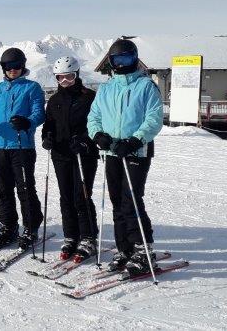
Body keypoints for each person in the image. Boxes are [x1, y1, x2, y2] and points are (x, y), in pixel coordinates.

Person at [87, 39, 163, 276]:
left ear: (135, 58)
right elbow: (94, 116)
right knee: (117, 201)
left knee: (131, 200)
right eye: (117, 60)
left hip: (135, 151)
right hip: (111, 151)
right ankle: (125, 248)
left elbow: (154, 119)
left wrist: (135, 140)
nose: (121, 64)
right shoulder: (106, 88)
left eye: (126, 59)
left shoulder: (146, 86)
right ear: (111, 62)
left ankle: (143, 250)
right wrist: (98, 135)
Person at [0, 48, 45, 250]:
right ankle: (9, 225)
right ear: (3, 67)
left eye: (17, 66)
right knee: (3, 189)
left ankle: (30, 227)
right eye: (8, 66)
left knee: (25, 188)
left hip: (22, 146)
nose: (13, 69)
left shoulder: (32, 87)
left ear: (23, 66)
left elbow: (39, 113)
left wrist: (27, 122)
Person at [41, 56, 99, 261]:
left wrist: (85, 141)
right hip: (61, 154)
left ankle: (88, 237)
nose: (65, 81)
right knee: (65, 196)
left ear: (77, 75)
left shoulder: (89, 97)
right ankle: (71, 235)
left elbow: (96, 124)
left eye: (69, 77)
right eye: (60, 78)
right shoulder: (54, 100)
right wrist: (47, 137)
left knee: (81, 195)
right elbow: (48, 124)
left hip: (84, 154)